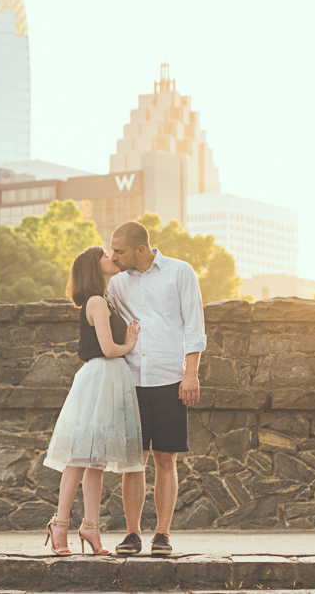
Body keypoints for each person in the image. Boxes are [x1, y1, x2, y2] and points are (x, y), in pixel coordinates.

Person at [108, 221, 206, 556]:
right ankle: (132, 534)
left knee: (166, 458)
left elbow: (194, 324)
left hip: (169, 378)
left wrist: (190, 374)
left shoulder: (180, 272)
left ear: (140, 248)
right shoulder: (116, 282)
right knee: (133, 461)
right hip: (130, 379)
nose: (113, 255)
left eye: (118, 250)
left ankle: (162, 534)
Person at [43, 245, 144, 555]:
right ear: (93, 267)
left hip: (110, 379)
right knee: (79, 456)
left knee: (95, 461)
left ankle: (90, 527)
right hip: (101, 376)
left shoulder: (106, 300)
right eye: (105, 255)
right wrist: (129, 343)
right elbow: (108, 348)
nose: (111, 258)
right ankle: (59, 524)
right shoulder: (97, 302)